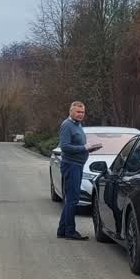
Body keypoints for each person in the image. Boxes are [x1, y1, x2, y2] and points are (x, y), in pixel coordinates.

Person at [56, 101, 103, 240]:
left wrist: (89, 149)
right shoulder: (67, 126)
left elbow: (77, 145)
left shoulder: (77, 125)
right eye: (78, 112)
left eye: (82, 112)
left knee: (72, 199)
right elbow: (65, 147)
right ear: (71, 111)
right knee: (72, 200)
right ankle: (70, 232)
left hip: (78, 165)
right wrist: (84, 148)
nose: (81, 114)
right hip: (71, 166)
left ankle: (62, 230)